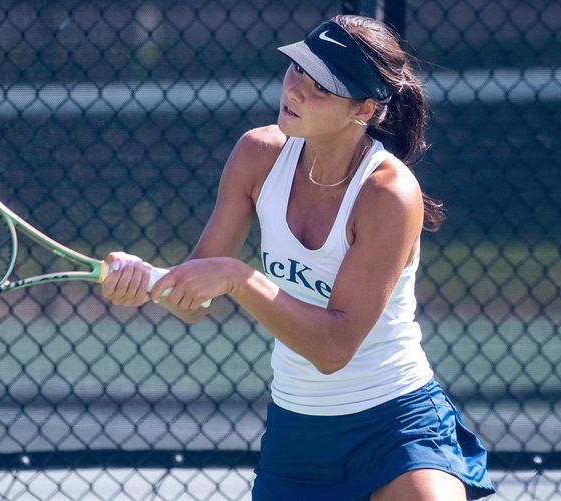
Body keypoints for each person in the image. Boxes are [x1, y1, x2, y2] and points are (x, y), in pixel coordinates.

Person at [101, 14, 495, 500]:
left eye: (321, 88)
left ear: (365, 109)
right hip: (297, 432)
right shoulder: (256, 154)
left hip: (396, 428)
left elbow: (334, 348)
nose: (295, 91)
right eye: (297, 71)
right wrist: (150, 283)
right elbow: (192, 301)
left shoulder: (387, 194)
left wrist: (237, 278)